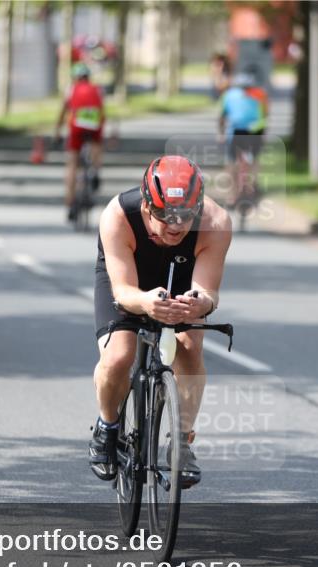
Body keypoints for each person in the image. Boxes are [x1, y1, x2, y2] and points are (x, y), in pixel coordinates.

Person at [90, 156, 232, 487]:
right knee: (118, 357)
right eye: (165, 215)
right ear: (145, 205)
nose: (176, 225)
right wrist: (145, 302)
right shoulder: (118, 216)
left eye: (185, 215)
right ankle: (107, 428)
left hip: (181, 277)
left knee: (189, 348)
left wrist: (198, 302)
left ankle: (182, 442)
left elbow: (208, 291)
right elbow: (124, 291)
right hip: (130, 276)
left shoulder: (215, 222)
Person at [55, 62, 105, 225]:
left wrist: (57, 131)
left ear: (75, 77)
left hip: (76, 125)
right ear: (88, 77)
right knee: (96, 144)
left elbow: (63, 111)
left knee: (72, 163)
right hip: (94, 123)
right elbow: (102, 111)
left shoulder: (71, 89)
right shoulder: (96, 89)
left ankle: (70, 204)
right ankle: (96, 171)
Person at [218, 71, 267, 207]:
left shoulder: (228, 95)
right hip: (255, 131)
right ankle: (253, 185)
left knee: (231, 160)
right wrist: (263, 134)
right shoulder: (260, 94)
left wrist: (221, 133)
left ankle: (232, 195)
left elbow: (222, 117)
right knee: (255, 158)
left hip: (236, 132)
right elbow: (264, 115)